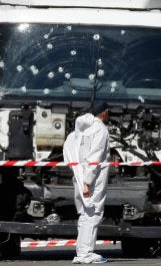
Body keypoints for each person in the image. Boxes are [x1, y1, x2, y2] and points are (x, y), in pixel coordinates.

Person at [64, 100, 110, 264]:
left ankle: (82, 251)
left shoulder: (80, 130)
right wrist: (88, 182)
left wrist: (79, 175)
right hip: (93, 180)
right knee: (93, 213)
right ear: (104, 112)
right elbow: (95, 157)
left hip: (79, 175)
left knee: (84, 214)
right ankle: (85, 254)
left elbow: (68, 149)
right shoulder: (100, 130)